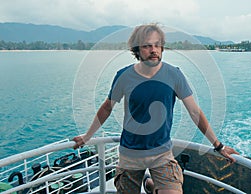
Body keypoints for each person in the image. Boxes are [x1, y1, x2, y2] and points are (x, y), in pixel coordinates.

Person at [73, 23, 239, 194]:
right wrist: (87, 136)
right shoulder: (124, 76)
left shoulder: (174, 74)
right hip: (130, 154)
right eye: (147, 46)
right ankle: (151, 184)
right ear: (137, 50)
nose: (153, 50)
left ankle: (151, 185)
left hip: (161, 153)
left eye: (157, 45)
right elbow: (107, 108)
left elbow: (195, 112)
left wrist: (218, 146)